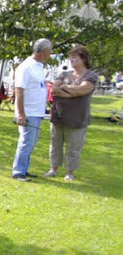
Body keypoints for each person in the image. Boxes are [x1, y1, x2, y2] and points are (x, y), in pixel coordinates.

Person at [44, 46, 98, 181]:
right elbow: (54, 90)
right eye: (71, 57)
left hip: (77, 118)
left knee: (73, 147)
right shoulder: (64, 74)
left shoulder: (90, 75)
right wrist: (71, 92)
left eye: (75, 57)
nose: (72, 60)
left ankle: (69, 172)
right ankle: (53, 169)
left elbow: (82, 90)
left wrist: (66, 87)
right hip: (58, 115)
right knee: (55, 144)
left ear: (84, 59)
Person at [10, 38, 53, 182]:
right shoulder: (26, 66)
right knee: (26, 141)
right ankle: (18, 171)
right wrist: (21, 113)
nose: (50, 54)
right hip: (29, 112)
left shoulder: (38, 66)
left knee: (31, 142)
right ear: (44, 51)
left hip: (37, 111)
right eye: (49, 51)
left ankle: (24, 168)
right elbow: (19, 90)